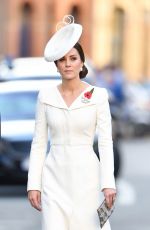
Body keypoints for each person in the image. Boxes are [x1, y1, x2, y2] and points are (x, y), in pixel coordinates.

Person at [27, 15, 116, 230]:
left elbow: (105, 142)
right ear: (56, 64)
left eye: (73, 58)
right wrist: (34, 184)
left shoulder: (99, 95)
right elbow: (38, 144)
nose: (68, 64)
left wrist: (108, 184)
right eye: (62, 60)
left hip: (88, 180)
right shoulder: (45, 96)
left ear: (82, 62)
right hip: (53, 179)